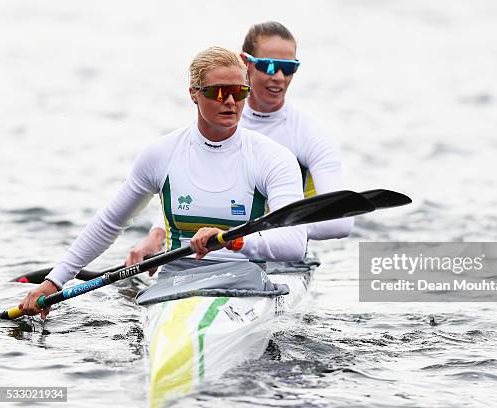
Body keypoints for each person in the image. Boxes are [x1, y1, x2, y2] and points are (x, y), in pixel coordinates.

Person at [19, 46, 307, 317]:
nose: (231, 101)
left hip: (245, 284)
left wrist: (233, 240)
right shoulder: (161, 154)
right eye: (218, 93)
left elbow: (294, 242)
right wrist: (54, 281)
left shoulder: (273, 158)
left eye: (239, 92)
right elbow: (109, 224)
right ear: (194, 93)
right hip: (174, 283)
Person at [127, 21, 352, 267]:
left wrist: (254, 233)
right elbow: (191, 192)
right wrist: (157, 234)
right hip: (215, 249)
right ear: (247, 63)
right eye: (268, 65)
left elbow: (339, 223)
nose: (278, 76)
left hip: (280, 258)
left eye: (289, 68)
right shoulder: (218, 117)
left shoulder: (311, 135)